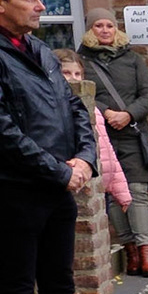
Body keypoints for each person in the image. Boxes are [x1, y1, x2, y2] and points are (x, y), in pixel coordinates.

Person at [0, 0, 116, 294]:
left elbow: (75, 109)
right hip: (13, 195)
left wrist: (85, 160)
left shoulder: (42, 52)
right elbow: (3, 130)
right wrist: (56, 170)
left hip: (56, 194)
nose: (41, 6)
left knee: (60, 292)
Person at [78, 8, 148, 277]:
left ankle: (146, 251)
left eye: (109, 26)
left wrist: (128, 114)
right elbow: (78, 92)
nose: (105, 30)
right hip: (102, 135)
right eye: (98, 25)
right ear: (90, 30)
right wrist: (106, 112)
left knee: (137, 193)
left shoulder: (133, 59)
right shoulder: (82, 61)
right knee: (113, 196)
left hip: (133, 135)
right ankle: (130, 251)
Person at [55, 49, 132, 230]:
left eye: (77, 74)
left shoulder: (92, 109)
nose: (73, 79)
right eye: (66, 73)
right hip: (80, 184)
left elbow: (107, 149)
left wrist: (121, 190)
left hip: (102, 185)